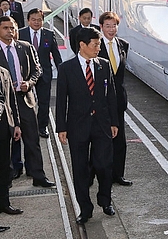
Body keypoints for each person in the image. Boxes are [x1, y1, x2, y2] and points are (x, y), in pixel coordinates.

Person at [56, 27, 118, 224]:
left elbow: (111, 96)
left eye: (99, 44)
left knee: (104, 165)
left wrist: (114, 122)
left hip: (102, 125)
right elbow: (61, 101)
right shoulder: (67, 69)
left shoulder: (104, 65)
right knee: (80, 169)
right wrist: (61, 127)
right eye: (95, 45)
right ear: (82, 45)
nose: (98, 48)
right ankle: (85, 208)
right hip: (77, 126)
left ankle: (105, 200)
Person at [0, 17, 54, 187]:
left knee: (32, 139)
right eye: (5, 28)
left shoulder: (25, 47)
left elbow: (38, 69)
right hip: (4, 104)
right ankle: (7, 178)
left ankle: (38, 175)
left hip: (24, 99)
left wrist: (29, 83)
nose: (9, 31)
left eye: (12, 27)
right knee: (5, 142)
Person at [97, 11, 132, 186]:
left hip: (118, 101)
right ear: (101, 27)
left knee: (120, 141)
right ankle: (97, 175)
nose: (111, 29)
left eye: (114, 25)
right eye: (108, 26)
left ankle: (118, 174)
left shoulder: (124, 45)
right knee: (100, 140)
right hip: (100, 101)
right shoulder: (95, 46)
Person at [19, 8, 63, 138]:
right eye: (33, 19)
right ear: (28, 20)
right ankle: (26, 127)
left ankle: (42, 127)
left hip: (44, 74)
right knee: (25, 102)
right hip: (26, 75)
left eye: (39, 20)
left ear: (43, 20)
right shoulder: (21, 33)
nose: (36, 22)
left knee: (44, 102)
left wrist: (62, 72)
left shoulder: (49, 34)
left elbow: (56, 54)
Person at [0, 58, 23, 222]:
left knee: (4, 167)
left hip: (4, 128)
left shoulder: (4, 72)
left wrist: (16, 125)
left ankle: (4, 203)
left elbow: (11, 101)